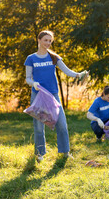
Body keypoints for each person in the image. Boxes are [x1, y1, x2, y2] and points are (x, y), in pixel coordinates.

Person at [25, 30, 88, 162]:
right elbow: (28, 78)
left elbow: (67, 71)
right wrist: (34, 84)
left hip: (53, 95)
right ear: (39, 40)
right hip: (38, 95)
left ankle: (65, 152)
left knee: (62, 124)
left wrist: (79, 74)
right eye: (46, 40)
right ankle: (40, 154)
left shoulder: (54, 57)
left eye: (50, 41)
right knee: (38, 126)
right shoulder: (31, 58)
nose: (48, 43)